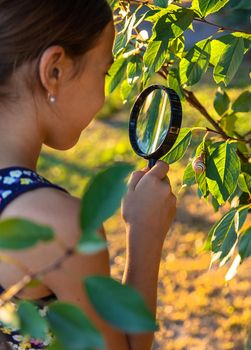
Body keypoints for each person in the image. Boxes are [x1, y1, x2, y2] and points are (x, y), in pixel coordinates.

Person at [0, 1, 176, 349]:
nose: (103, 92)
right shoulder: (59, 226)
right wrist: (145, 233)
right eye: (104, 71)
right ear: (55, 70)